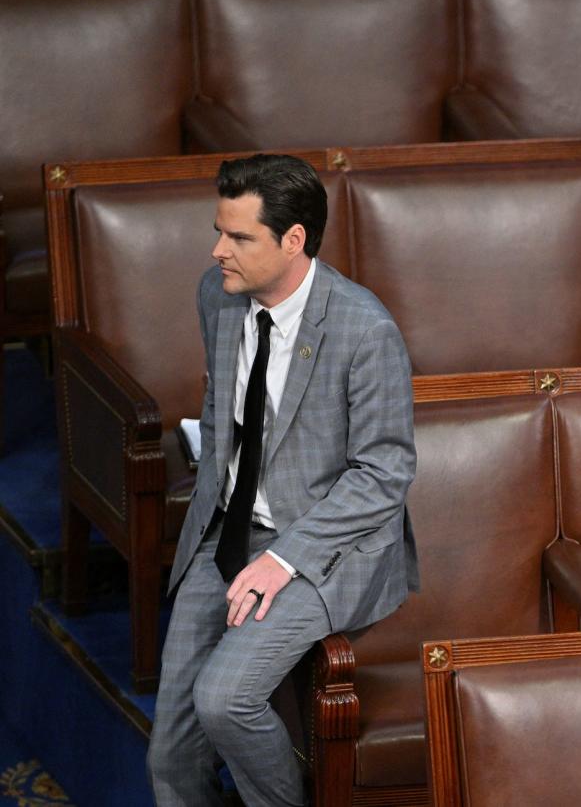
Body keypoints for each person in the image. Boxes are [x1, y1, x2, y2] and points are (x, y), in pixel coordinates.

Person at [147, 153, 417, 806]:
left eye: (239, 237)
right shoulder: (218, 294)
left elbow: (386, 472)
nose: (217, 251)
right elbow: (228, 412)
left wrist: (286, 558)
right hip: (225, 532)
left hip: (318, 550)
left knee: (225, 699)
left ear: (292, 240)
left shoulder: (363, 328)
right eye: (219, 230)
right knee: (171, 758)